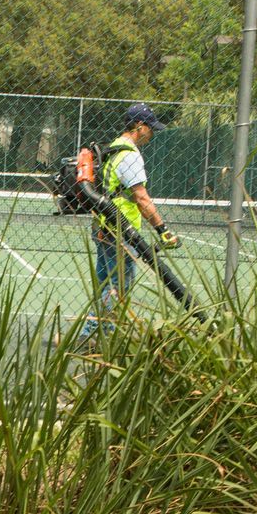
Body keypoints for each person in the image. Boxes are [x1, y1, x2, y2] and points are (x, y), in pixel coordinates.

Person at [80, 102, 180, 340]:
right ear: (139, 126)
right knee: (118, 287)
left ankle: (104, 335)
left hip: (104, 227)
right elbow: (140, 197)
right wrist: (162, 229)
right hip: (120, 232)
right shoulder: (130, 155)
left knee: (106, 284)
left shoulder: (114, 148)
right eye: (150, 127)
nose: (152, 133)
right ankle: (91, 335)